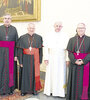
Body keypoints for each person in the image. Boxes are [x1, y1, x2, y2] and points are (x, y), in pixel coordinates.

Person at [43, 21, 69, 97]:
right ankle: (50, 90)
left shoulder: (65, 35)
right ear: (54, 26)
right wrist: (46, 58)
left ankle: (61, 91)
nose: (58, 27)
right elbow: (46, 47)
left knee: (61, 74)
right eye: (56, 26)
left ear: (62, 27)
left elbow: (68, 49)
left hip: (62, 58)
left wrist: (67, 59)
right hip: (51, 57)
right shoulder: (49, 35)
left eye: (60, 26)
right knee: (51, 74)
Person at [16, 22, 43, 96]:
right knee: (25, 74)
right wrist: (20, 61)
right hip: (25, 58)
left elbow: (40, 50)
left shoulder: (39, 37)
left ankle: (34, 90)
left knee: (34, 74)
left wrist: (40, 60)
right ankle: (24, 90)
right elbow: (20, 50)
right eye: (30, 28)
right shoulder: (22, 37)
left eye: (33, 28)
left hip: (35, 58)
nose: (31, 29)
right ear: (27, 28)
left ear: (34, 29)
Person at [66, 23, 90, 100]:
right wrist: (74, 60)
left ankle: (83, 97)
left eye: (82, 28)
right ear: (76, 29)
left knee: (84, 82)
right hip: (74, 64)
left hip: (85, 64)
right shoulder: (71, 39)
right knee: (74, 81)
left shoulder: (89, 39)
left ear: (85, 29)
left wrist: (83, 61)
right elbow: (69, 52)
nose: (80, 29)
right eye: (79, 28)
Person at [0, 14, 18, 95]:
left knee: (11, 70)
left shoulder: (14, 29)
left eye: (9, 18)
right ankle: (1, 88)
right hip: (1, 52)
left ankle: (10, 89)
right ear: (3, 20)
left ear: (11, 20)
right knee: (1, 69)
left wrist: (16, 55)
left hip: (11, 51)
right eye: (5, 18)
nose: (7, 20)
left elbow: (17, 43)